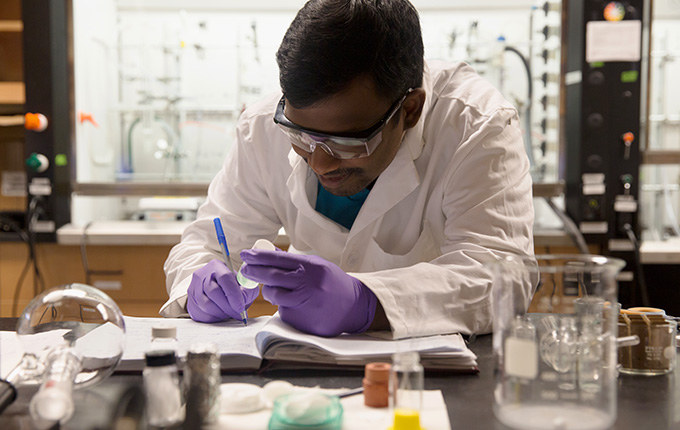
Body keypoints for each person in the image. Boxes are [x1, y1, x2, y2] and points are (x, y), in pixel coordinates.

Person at [161, 0, 535, 339]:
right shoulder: (263, 128)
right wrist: (199, 283)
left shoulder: (475, 125)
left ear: (409, 111)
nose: (320, 162)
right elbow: (207, 242)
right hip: (304, 363)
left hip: (428, 373)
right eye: (301, 136)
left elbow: (502, 275)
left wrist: (368, 302)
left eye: (347, 142)